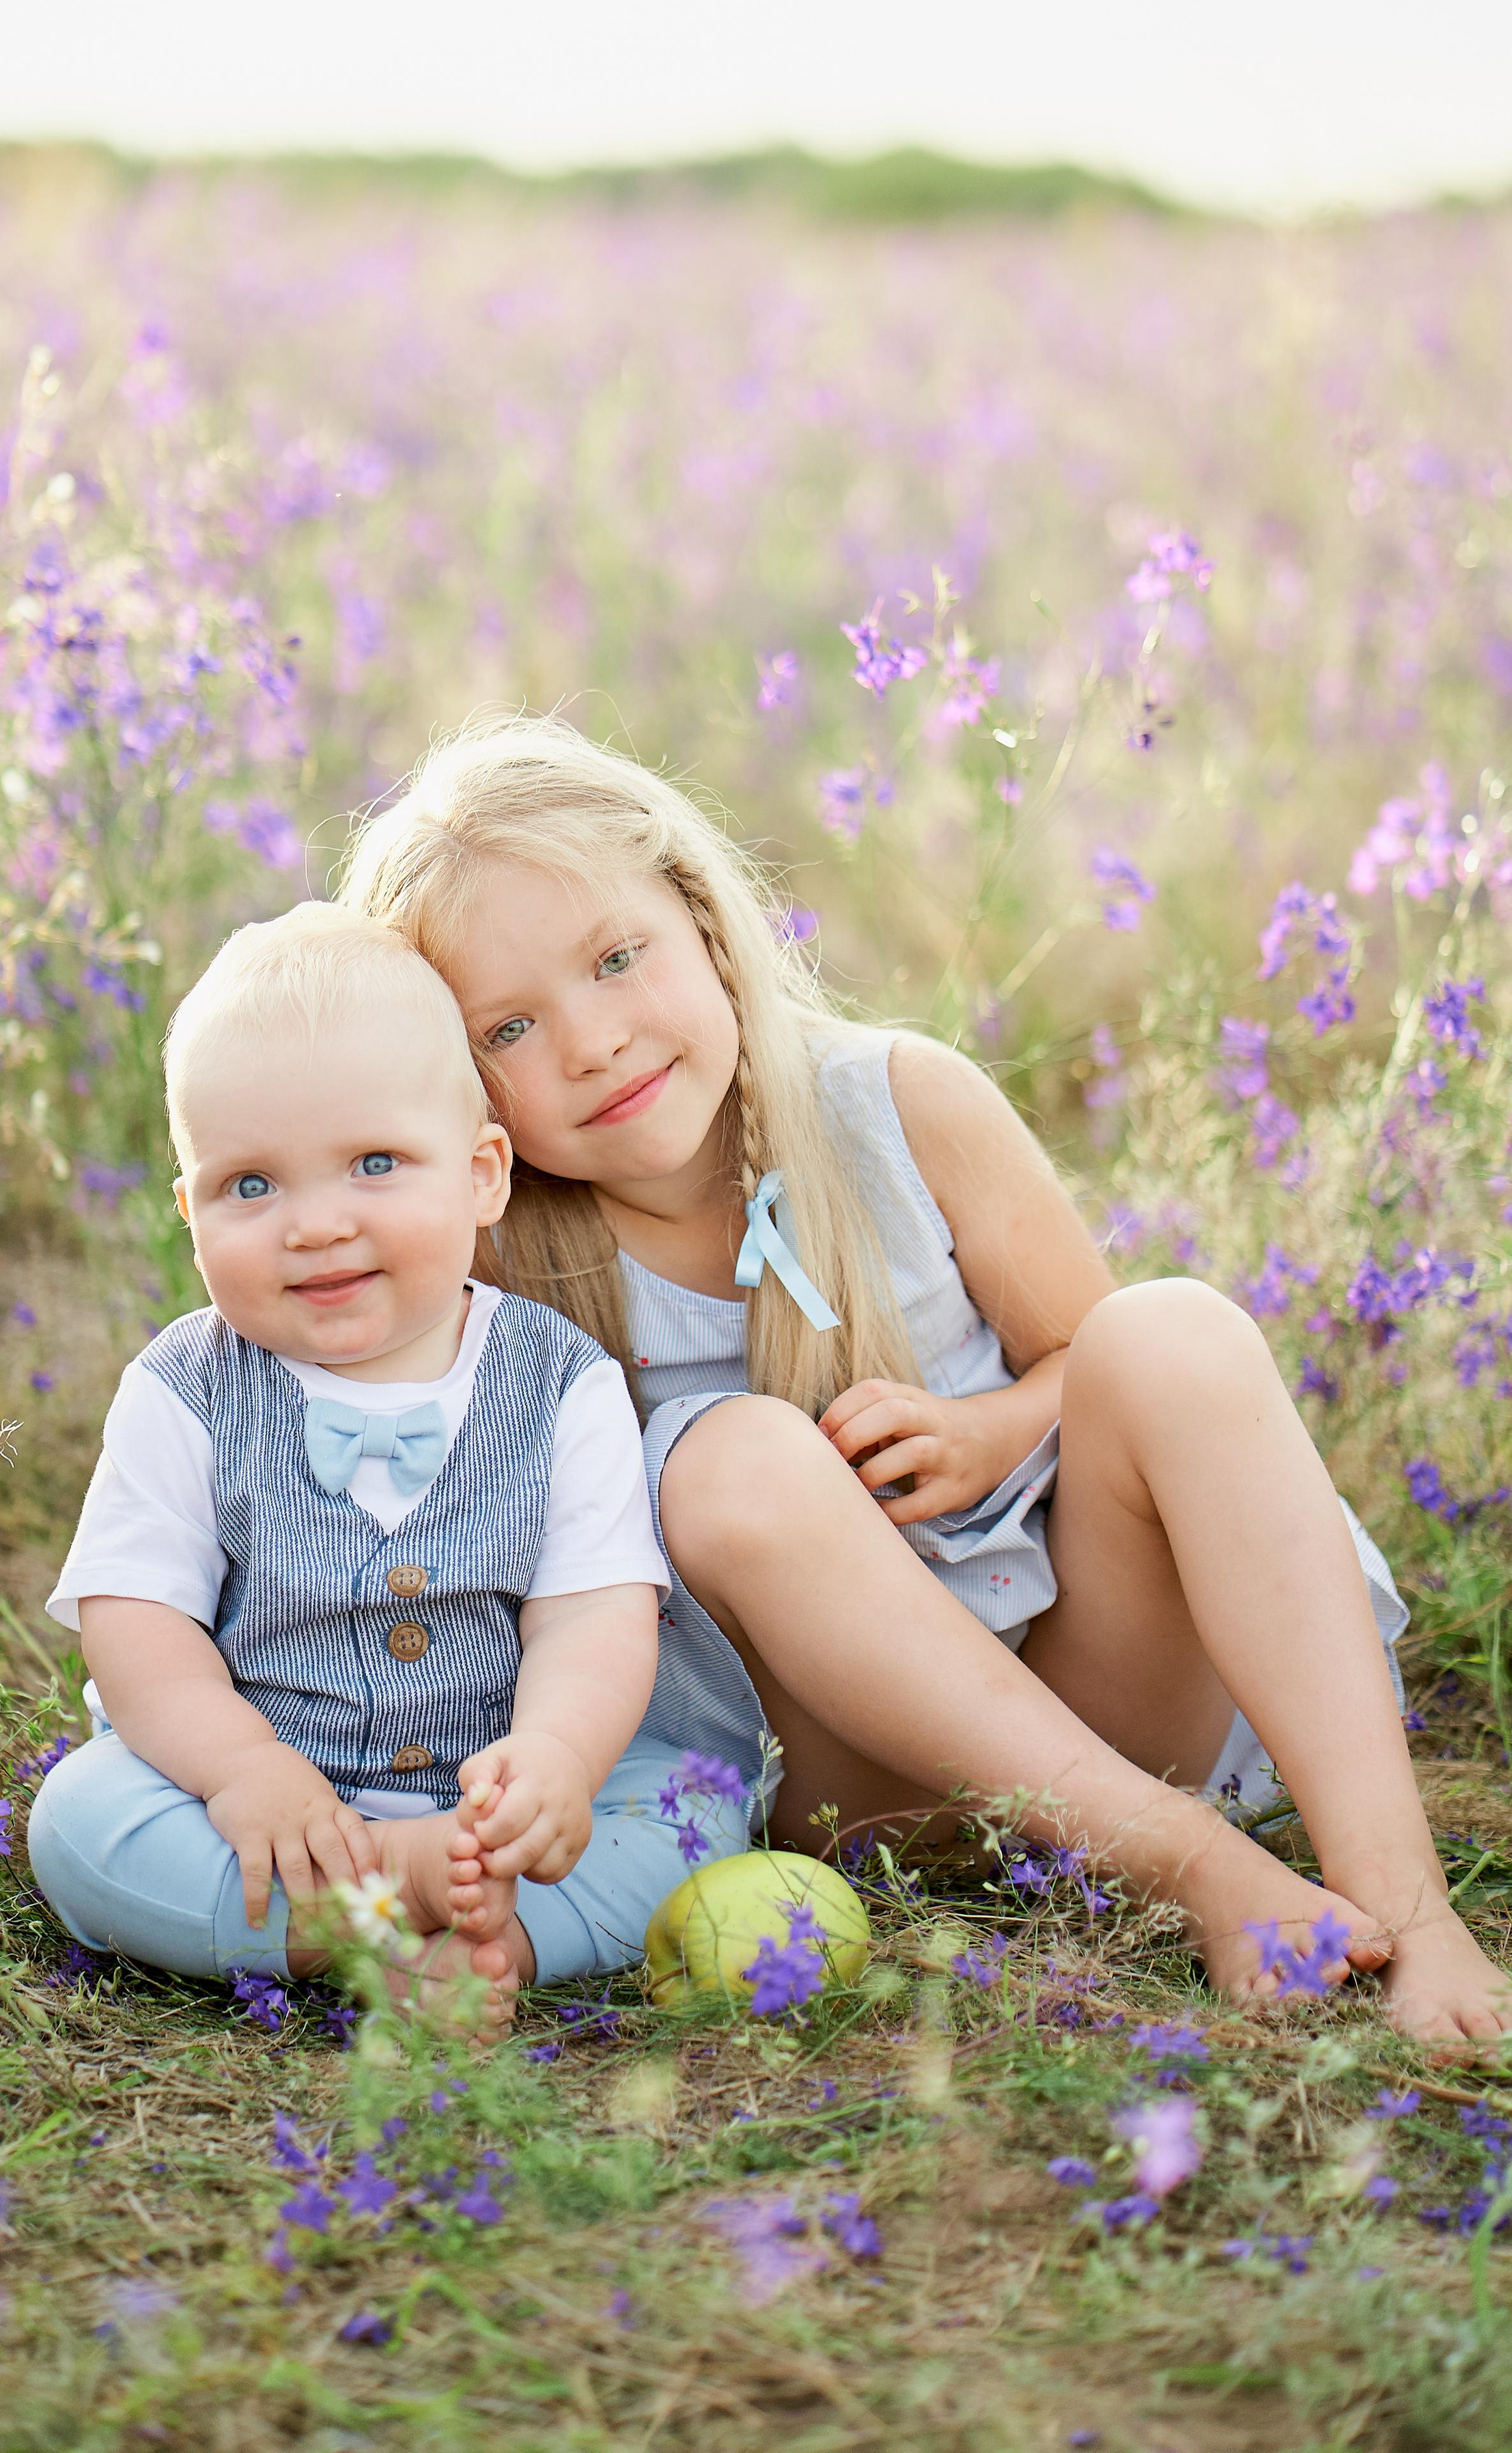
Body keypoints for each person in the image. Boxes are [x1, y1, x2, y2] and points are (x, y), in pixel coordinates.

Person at [340, 711, 1511, 2043]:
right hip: (852, 1784)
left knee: (1172, 1334)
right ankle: (1201, 1873)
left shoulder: (895, 1106)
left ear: (706, 927)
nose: (594, 1041)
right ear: (454, 1081)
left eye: (617, 959)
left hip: (1110, 1698)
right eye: (508, 1025)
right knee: (726, 1459)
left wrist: (989, 1427)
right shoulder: (499, 1260)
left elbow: (1083, 1357)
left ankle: (1402, 1904)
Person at [27, 905, 745, 2034]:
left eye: (374, 1164)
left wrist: (554, 1760)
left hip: (483, 1792)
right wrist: (243, 1772)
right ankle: (397, 1922)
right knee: (80, 1825)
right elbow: (138, 1626)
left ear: (482, 1176)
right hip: (263, 1800)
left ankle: (488, 1931)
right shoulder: (184, 1388)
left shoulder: (562, 1382)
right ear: (190, 1211)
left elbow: (598, 1614)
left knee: (695, 1819)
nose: (314, 1225)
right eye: (250, 1187)